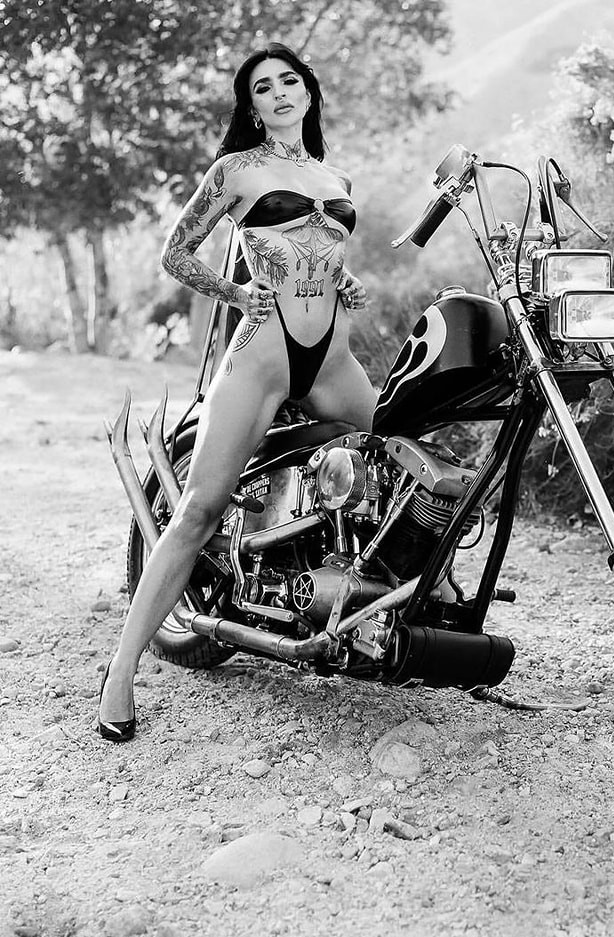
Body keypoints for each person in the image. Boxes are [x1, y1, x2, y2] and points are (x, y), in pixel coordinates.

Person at [98, 43, 376, 741]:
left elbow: (322, 253)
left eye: (289, 81)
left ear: (308, 92)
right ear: (251, 107)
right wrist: (234, 291)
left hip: (334, 358)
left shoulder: (334, 175)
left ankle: (390, 616)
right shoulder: (236, 171)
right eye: (263, 87)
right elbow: (176, 251)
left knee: (399, 459)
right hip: (262, 356)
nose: (279, 93)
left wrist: (345, 281)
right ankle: (121, 671)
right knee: (198, 510)